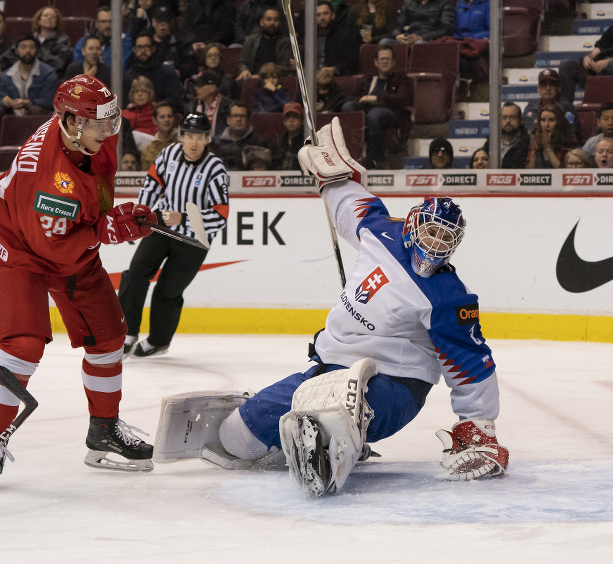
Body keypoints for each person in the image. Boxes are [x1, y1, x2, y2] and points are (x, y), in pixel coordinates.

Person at [164, 117, 508, 496]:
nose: (436, 245)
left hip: (396, 384)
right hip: (331, 368)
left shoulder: (448, 295)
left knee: (328, 420)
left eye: (446, 239)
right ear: (413, 224)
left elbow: (471, 360)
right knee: (236, 438)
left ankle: (342, 437)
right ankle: (281, 430)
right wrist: (334, 179)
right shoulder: (381, 231)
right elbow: (349, 205)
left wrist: (479, 427)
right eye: (431, 231)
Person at [0, 75, 157, 484]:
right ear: (73, 123)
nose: (111, 130)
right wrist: (103, 231)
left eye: (113, 119)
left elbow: (93, 201)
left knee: (109, 338)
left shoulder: (91, 131)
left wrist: (117, 219)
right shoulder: (46, 176)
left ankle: (103, 430)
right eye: (102, 123)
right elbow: (52, 250)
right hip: (21, 244)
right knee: (23, 346)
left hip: (67, 232)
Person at [119, 113, 230, 358]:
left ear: (207, 139)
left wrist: (185, 217)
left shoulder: (215, 169)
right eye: (189, 136)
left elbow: (220, 215)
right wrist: (142, 215)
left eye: (199, 137)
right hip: (161, 229)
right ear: (181, 136)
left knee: (167, 291)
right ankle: (126, 333)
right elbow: (152, 184)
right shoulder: (168, 154)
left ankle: (159, 341)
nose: (193, 142)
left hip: (194, 241)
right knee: (135, 275)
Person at [342, 46, 413, 169]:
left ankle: (375, 160)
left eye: (388, 59)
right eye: (382, 59)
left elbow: (403, 98)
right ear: (376, 62)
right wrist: (360, 99)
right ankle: (350, 157)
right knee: (348, 106)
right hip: (368, 112)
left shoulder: (401, 78)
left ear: (394, 62)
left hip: (392, 114)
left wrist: (376, 98)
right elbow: (351, 96)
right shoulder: (368, 79)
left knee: (375, 115)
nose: (385, 61)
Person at [0, 35, 59, 116]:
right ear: (16, 51)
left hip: (39, 115)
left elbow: (48, 101)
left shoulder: (48, 73)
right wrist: (4, 101)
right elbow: (0, 99)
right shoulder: (6, 75)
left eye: (31, 47)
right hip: (14, 113)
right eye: (23, 47)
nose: (28, 50)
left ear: (37, 50)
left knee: (35, 110)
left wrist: (29, 103)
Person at [123, 33, 184, 110]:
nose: (143, 51)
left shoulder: (167, 72)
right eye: (139, 47)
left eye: (146, 46)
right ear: (134, 50)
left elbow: (175, 101)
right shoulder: (127, 76)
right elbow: (124, 104)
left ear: (153, 49)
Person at [522, 69, 579, 144]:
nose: (548, 88)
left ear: (559, 88)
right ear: (538, 89)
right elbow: (526, 131)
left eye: (552, 85)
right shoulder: (530, 107)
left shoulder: (567, 108)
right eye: (544, 85)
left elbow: (571, 133)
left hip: (559, 147)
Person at [238, 8, 294, 80]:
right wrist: (244, 70)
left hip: (275, 79)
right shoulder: (250, 41)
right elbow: (242, 62)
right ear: (261, 22)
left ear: (279, 23)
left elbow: (285, 67)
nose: (272, 23)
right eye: (268, 19)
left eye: (276, 20)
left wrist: (263, 75)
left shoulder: (286, 43)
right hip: (251, 79)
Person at [213, 101, 268, 171]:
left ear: (248, 120)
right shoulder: (216, 143)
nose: (239, 119)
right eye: (235, 116)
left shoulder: (258, 142)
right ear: (228, 120)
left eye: (242, 116)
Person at [150, 5, 197, 82]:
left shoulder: (181, 43)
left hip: (174, 83)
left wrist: (179, 72)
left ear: (171, 23)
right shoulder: (147, 43)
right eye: (159, 20)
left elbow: (190, 64)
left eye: (166, 20)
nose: (162, 23)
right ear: (153, 22)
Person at [382, 0, 456, 46]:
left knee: (419, 44)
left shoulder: (445, 2)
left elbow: (447, 28)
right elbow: (399, 24)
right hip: (408, 38)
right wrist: (397, 35)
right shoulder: (408, 2)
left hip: (429, 40)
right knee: (384, 42)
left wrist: (422, 37)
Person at [316, 0, 361, 76]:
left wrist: (334, 69)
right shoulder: (310, 38)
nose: (322, 18)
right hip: (312, 80)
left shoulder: (345, 35)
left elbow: (352, 62)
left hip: (335, 80)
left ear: (333, 15)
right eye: (318, 15)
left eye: (325, 13)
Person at [481, 102, 530, 169]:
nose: (508, 121)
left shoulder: (527, 142)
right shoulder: (491, 141)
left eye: (512, 117)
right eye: (504, 117)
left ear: (520, 120)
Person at [185, 70, 232, 138]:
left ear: (212, 87)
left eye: (200, 85)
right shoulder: (192, 107)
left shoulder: (228, 107)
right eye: (196, 84)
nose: (196, 88)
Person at [31, 6, 71, 77]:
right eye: (45, 15)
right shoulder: (31, 38)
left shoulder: (63, 39)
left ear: (57, 22)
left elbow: (58, 63)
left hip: (52, 77)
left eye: (53, 17)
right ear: (39, 20)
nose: (49, 18)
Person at [140, 101, 179, 170]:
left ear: (175, 119)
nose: (166, 120)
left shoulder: (184, 144)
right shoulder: (147, 150)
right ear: (154, 120)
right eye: (162, 117)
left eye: (169, 116)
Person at [271, 102, 306, 170]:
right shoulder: (276, 145)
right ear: (284, 121)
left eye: (295, 117)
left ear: (302, 120)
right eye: (288, 117)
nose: (291, 120)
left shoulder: (307, 143)